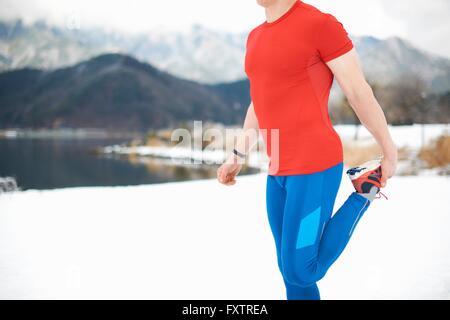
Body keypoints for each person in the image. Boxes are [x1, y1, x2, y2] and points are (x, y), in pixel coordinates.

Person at [216, 0, 398, 300]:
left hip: (315, 166)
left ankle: (366, 190)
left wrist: (388, 149)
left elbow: (358, 91)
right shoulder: (255, 36)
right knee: (290, 273)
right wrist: (238, 154)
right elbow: (261, 101)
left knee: (301, 270)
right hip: (277, 170)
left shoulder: (320, 25)